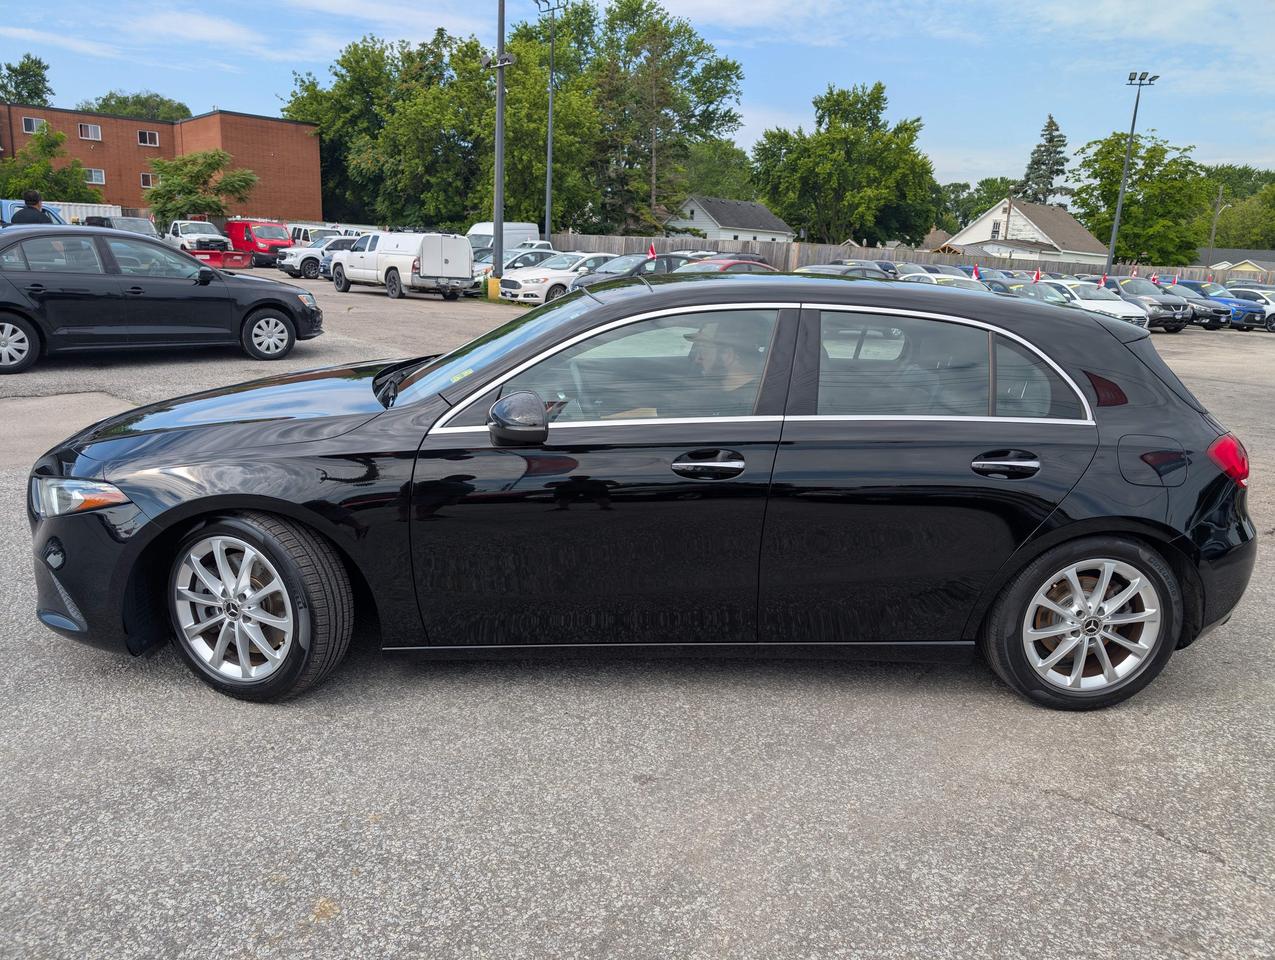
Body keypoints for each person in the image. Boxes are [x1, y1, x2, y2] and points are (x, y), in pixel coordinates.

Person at [682, 315, 772, 416]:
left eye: (704, 349)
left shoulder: (748, 407)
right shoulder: (713, 392)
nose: (697, 359)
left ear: (727, 355)